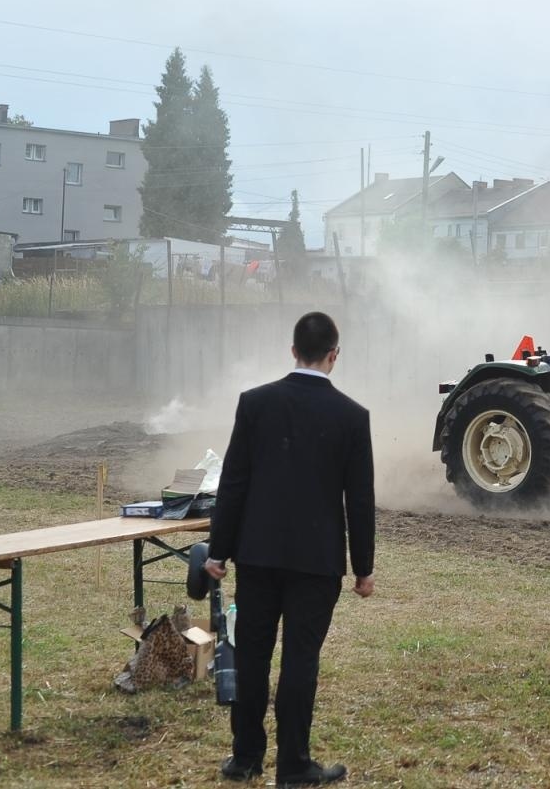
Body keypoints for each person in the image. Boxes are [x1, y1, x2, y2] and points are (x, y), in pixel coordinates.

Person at [205, 311, 375, 786]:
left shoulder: (255, 403)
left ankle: (245, 758)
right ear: (333, 356)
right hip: (317, 562)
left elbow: (233, 481)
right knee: (301, 660)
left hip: (256, 554)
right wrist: (364, 568)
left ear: (293, 350)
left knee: (253, 656)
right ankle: (294, 765)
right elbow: (358, 500)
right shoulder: (352, 416)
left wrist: (218, 552)